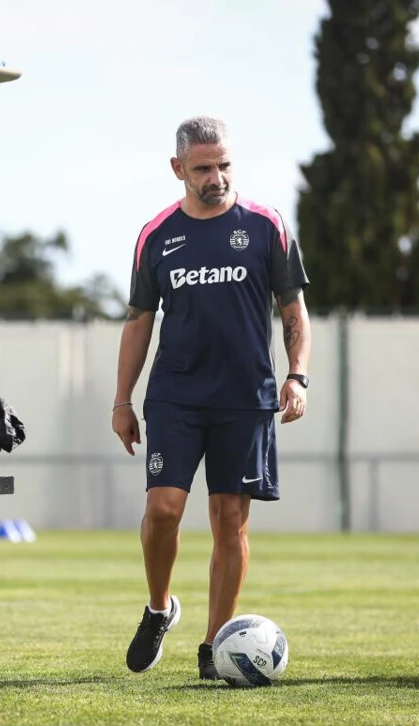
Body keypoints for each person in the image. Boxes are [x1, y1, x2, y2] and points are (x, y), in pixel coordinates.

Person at [112, 115, 312, 680]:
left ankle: (213, 648)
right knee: (163, 509)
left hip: (246, 399)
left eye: (224, 164)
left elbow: (294, 312)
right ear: (178, 169)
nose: (216, 176)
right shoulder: (156, 235)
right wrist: (121, 400)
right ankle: (159, 608)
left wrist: (297, 377)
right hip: (174, 395)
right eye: (203, 168)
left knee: (230, 521)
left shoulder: (268, 225)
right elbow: (137, 322)